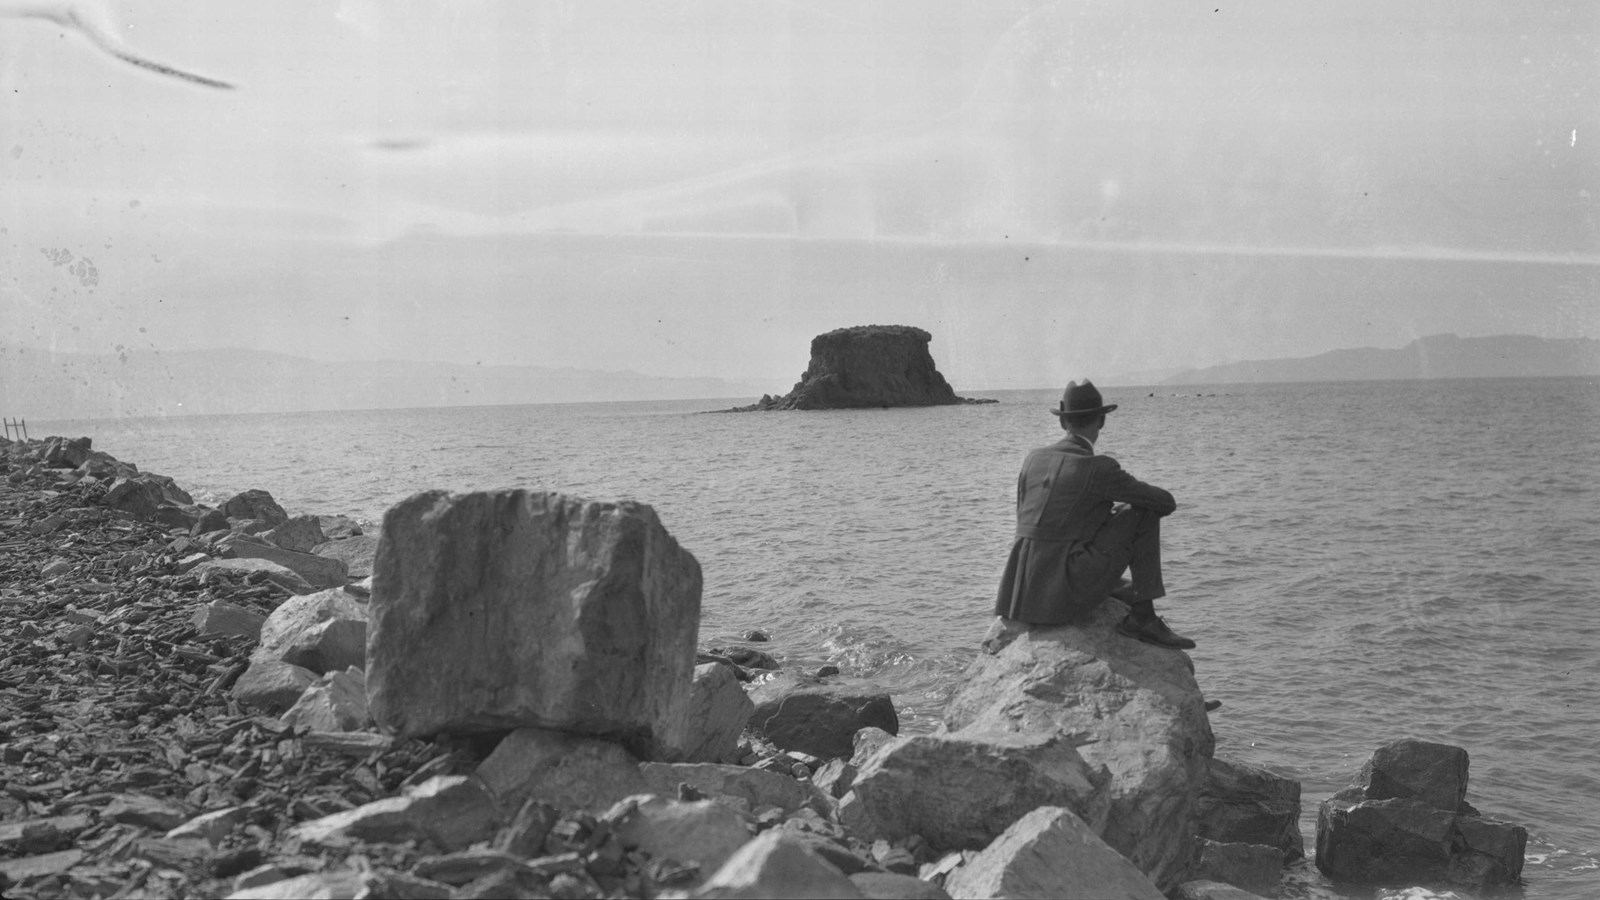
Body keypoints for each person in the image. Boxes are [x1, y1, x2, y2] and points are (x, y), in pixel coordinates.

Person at [993, 379, 1195, 650]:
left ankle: (1119, 591)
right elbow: (1165, 503)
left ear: (1063, 423)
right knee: (1142, 513)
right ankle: (1143, 618)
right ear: (1101, 422)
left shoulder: (1033, 459)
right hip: (1060, 596)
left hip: (1020, 593)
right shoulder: (1099, 467)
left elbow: (1031, 520)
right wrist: (1111, 511)